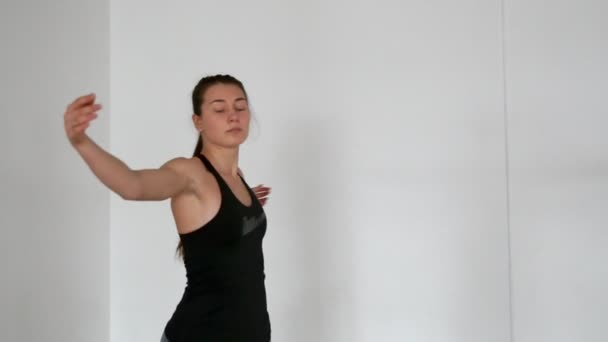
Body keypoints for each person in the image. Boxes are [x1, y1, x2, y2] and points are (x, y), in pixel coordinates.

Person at [64, 74, 272, 341]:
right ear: (198, 122)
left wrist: (241, 210)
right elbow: (133, 185)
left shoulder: (237, 177)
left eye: (240, 107)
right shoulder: (190, 174)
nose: (233, 116)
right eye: (219, 109)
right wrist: (81, 141)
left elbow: (223, 234)